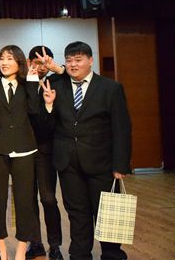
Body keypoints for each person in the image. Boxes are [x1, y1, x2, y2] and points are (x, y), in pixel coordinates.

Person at [43, 41, 131, 260]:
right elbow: (47, 123)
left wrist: (120, 165)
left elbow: (121, 128)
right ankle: (80, 254)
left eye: (78, 60)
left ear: (90, 60)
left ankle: (112, 254)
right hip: (68, 163)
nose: (73, 65)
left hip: (102, 163)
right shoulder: (55, 85)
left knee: (106, 213)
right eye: (69, 60)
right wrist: (49, 105)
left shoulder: (110, 88)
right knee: (77, 213)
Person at [0, 45, 42, 260]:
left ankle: (21, 248)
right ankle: (0, 245)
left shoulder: (28, 86)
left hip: (24, 149)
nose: (4, 62)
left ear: (19, 62)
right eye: (1, 58)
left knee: (24, 201)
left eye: (9, 58)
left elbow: (35, 111)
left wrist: (33, 81)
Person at [25, 46, 64, 260]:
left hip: (46, 150)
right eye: (36, 62)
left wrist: (57, 68)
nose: (40, 67)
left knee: (48, 199)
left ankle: (55, 245)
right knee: (28, 200)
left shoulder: (56, 82)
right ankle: (35, 243)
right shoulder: (22, 83)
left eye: (44, 63)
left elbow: (71, 75)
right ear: (29, 62)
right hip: (24, 150)